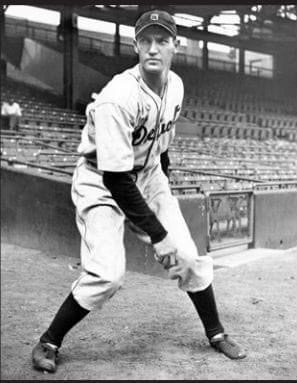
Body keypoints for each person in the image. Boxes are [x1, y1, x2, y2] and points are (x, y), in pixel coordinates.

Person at [32, 9, 246, 373]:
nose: (153, 48)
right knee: (108, 274)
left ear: (175, 46)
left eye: (162, 41)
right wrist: (157, 236)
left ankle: (216, 332)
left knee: (190, 257)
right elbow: (117, 181)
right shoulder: (118, 97)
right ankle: (48, 341)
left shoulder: (175, 85)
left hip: (147, 176)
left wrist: (163, 190)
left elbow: (161, 144)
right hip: (101, 181)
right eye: (145, 40)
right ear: (135, 45)